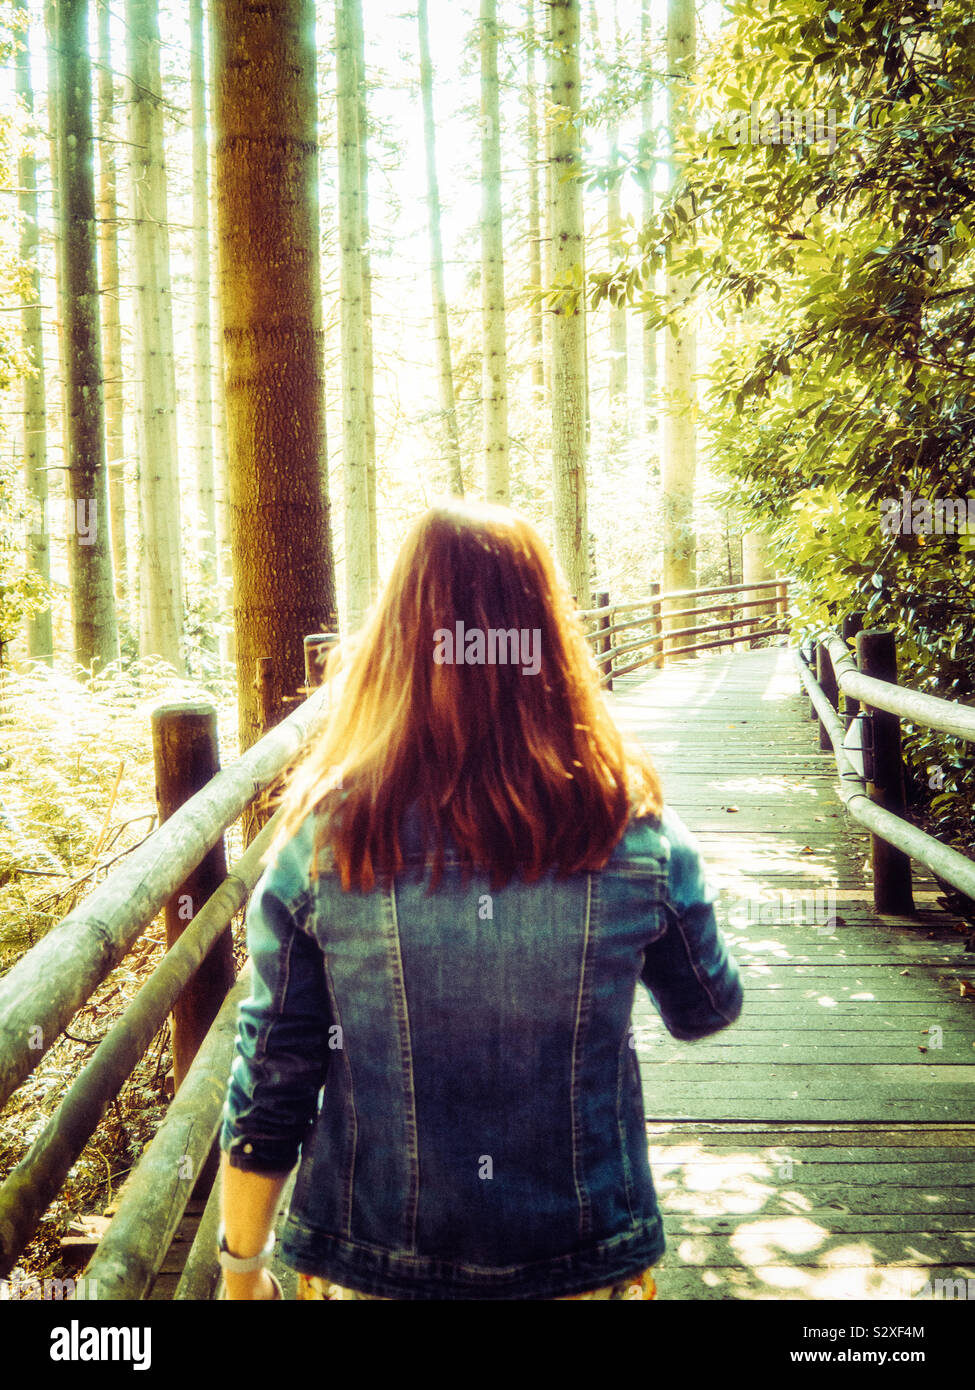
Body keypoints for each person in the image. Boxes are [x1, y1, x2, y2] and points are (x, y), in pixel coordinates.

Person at [217, 500, 743, 1300]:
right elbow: (706, 1007)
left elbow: (273, 1073)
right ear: (550, 639)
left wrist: (242, 1267)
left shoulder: (324, 842)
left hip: (374, 1262)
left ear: (395, 640)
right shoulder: (633, 831)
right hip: (579, 1256)